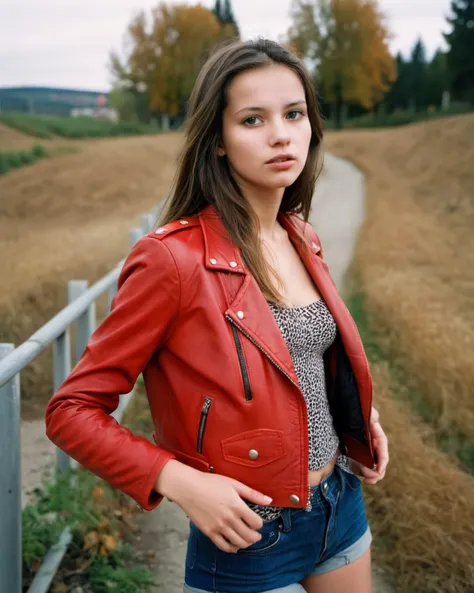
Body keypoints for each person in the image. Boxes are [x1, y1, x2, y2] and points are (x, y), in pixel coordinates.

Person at [45, 38, 389, 593]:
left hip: (339, 506)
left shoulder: (301, 235)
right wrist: (178, 480)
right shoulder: (171, 261)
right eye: (253, 119)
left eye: (294, 113)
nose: (280, 133)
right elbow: (72, 410)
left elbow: (304, 363)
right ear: (219, 141)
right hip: (249, 533)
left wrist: (358, 419)